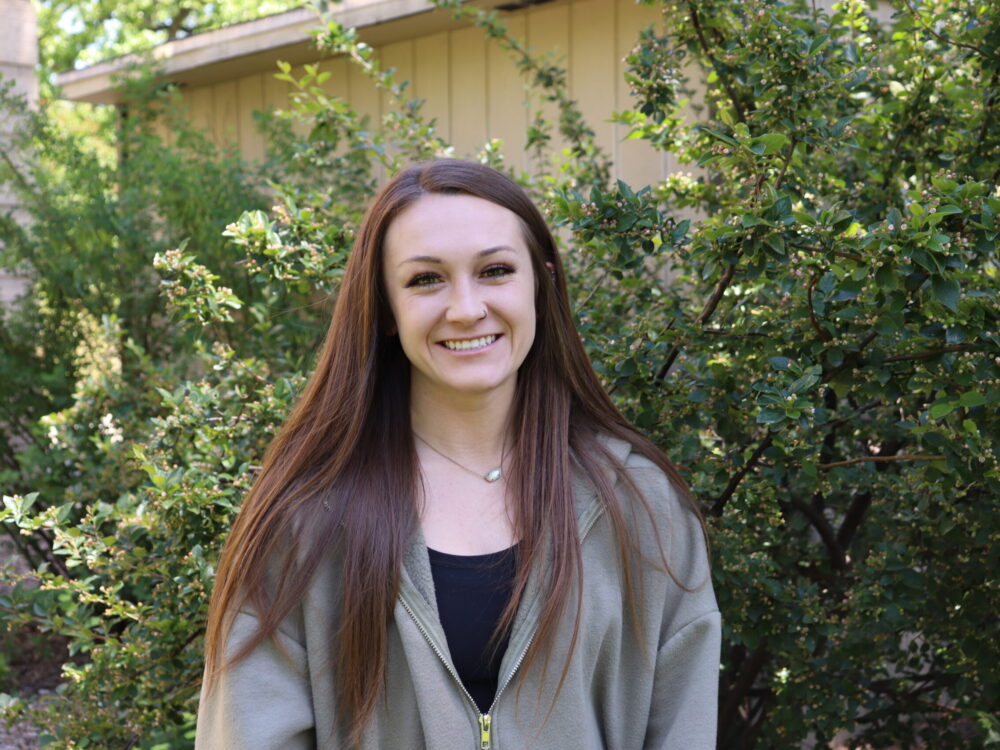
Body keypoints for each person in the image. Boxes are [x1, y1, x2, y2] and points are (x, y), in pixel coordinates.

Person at [196, 159, 720, 749]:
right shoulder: (307, 518)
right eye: (426, 280)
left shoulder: (639, 505)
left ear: (541, 284)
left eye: (495, 270)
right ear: (387, 309)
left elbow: (682, 727)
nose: (467, 308)